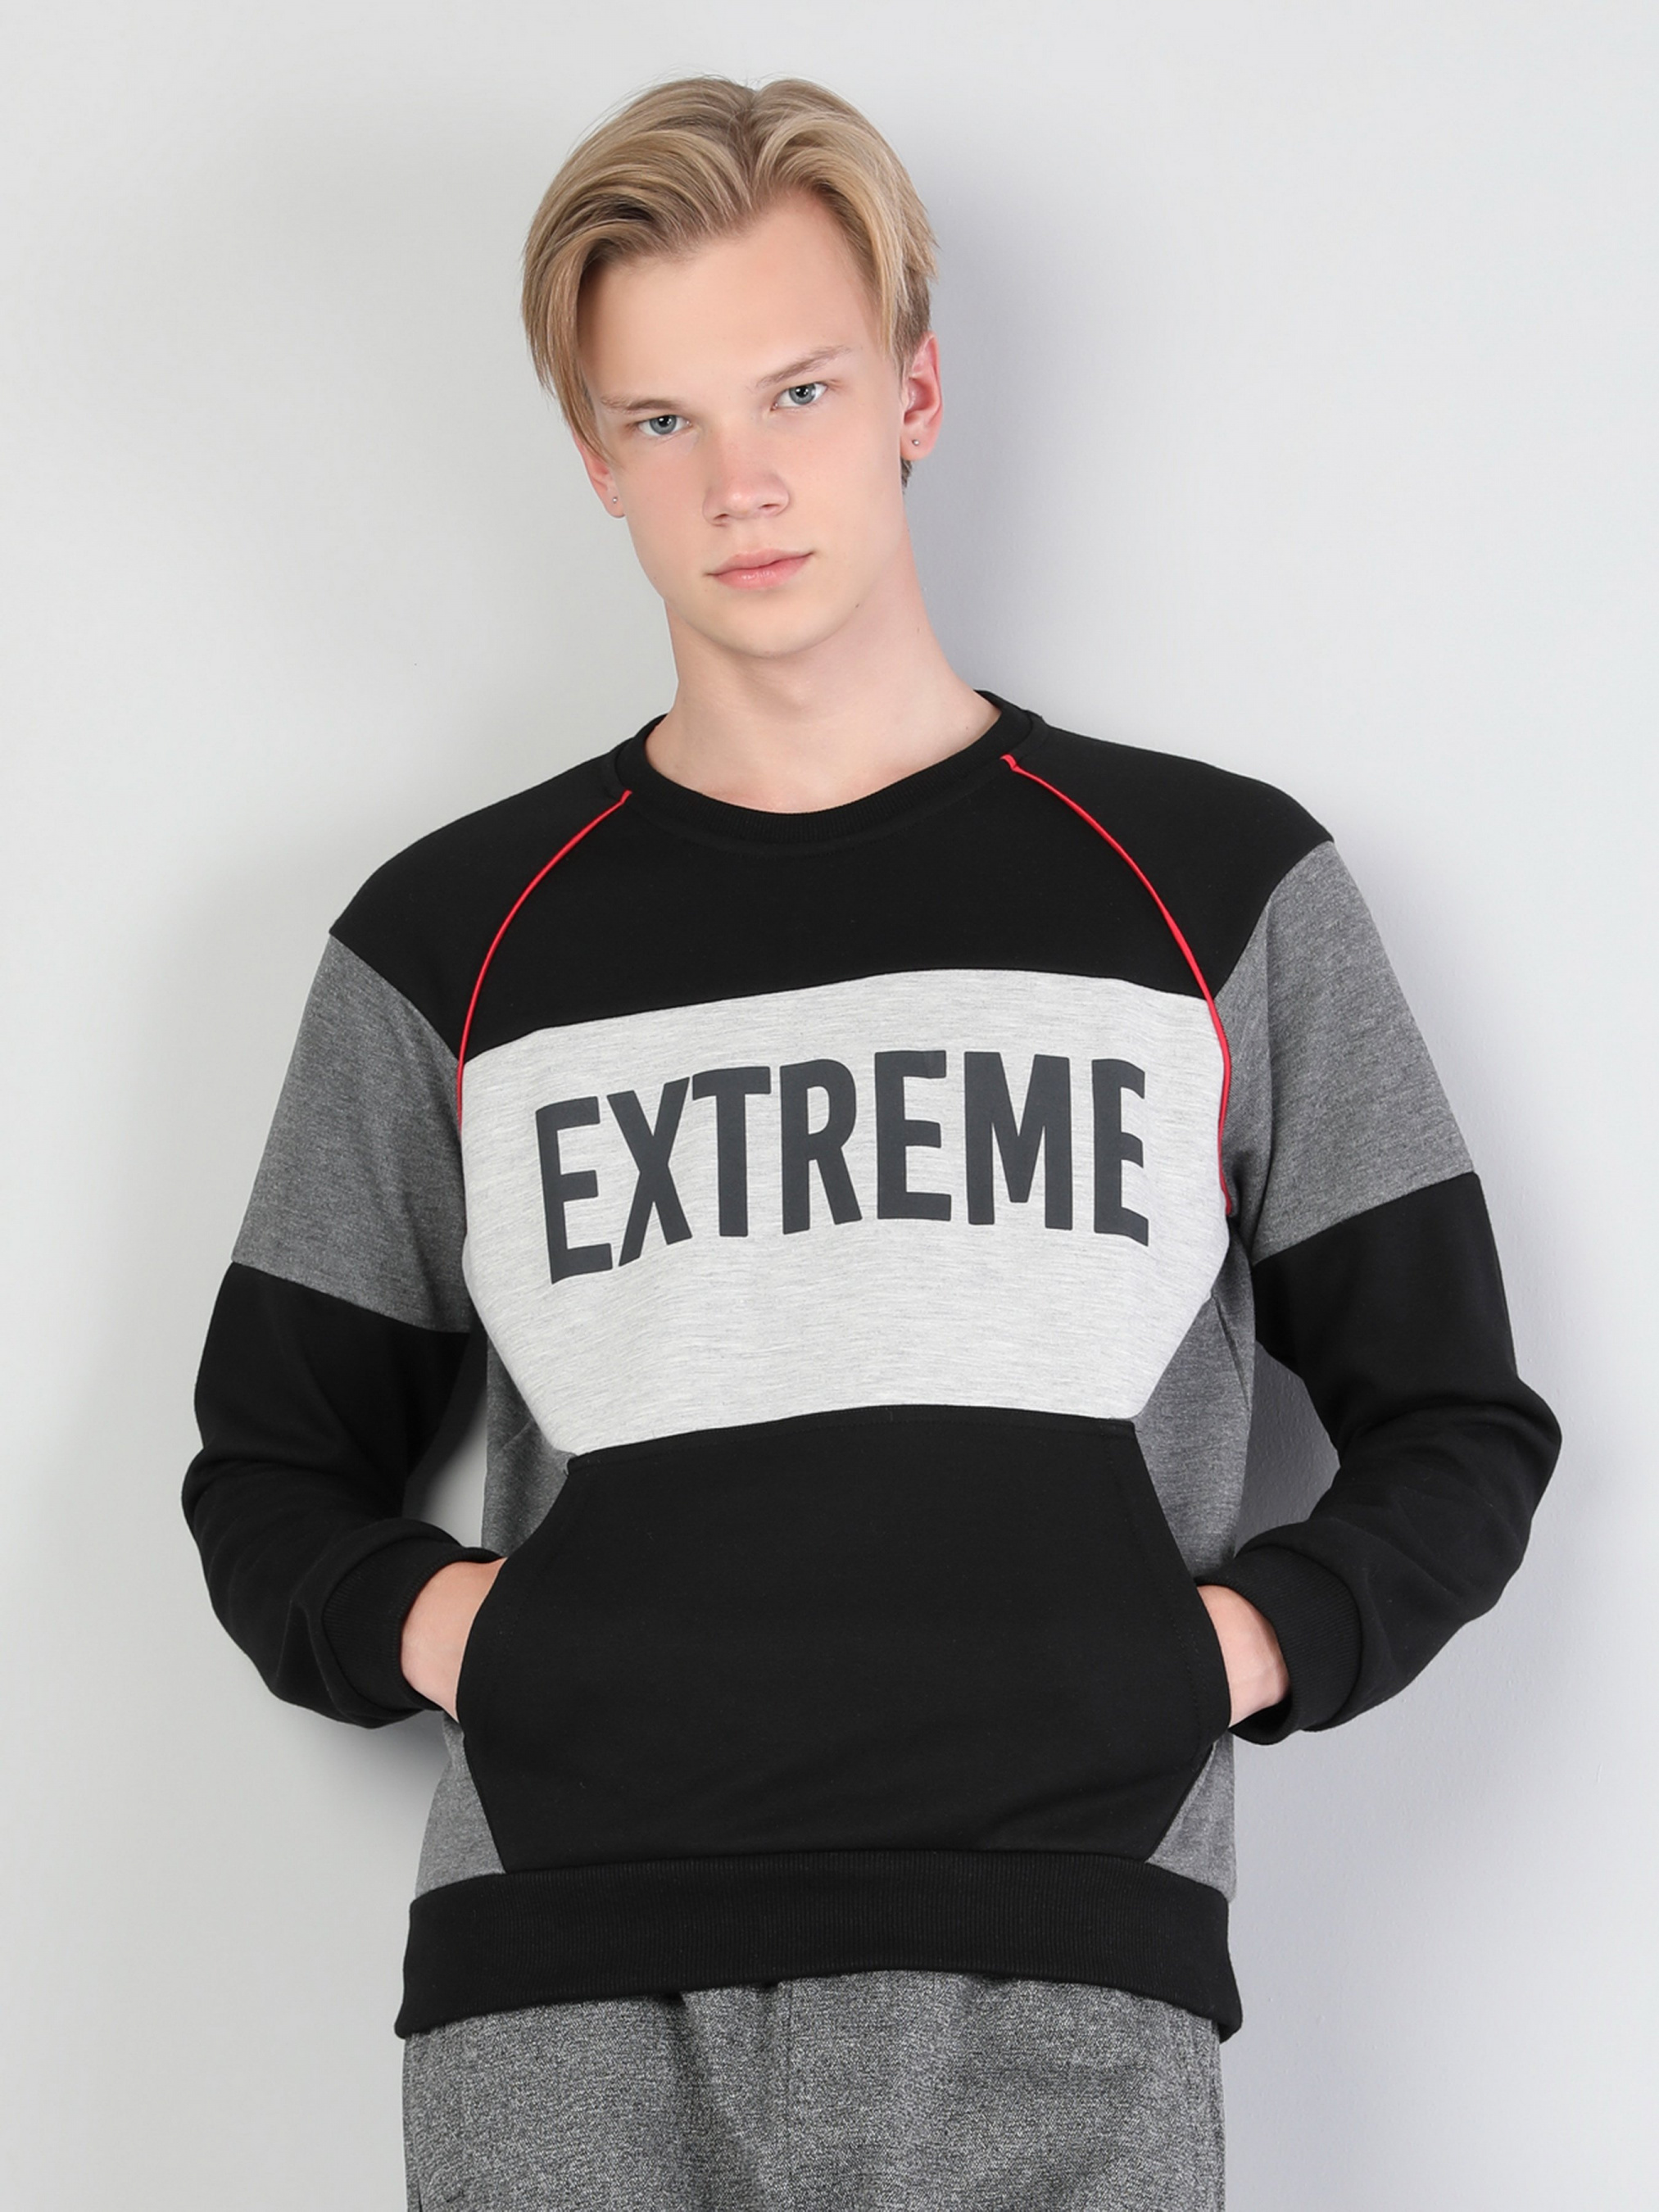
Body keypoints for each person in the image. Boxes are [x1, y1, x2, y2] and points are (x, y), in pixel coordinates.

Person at [184, 73, 1561, 2212]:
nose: (741, 482)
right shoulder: (452, 939)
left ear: (914, 391)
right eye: (663, 420)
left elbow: (1458, 1420)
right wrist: (483, 1643)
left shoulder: (1213, 892)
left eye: (798, 391)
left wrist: (1205, 1657)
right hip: (567, 1994)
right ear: (595, 461)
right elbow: (268, 1467)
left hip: (1063, 1969)